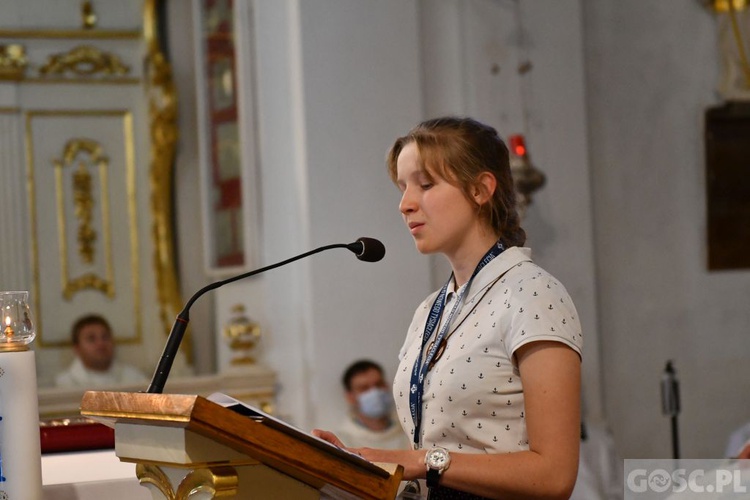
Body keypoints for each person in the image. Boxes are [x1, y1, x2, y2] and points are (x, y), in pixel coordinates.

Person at [313, 117, 583, 499]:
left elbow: (555, 476)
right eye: (403, 187)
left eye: (425, 185)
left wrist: (423, 461)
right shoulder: (430, 310)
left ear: (480, 189)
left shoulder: (533, 294)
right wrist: (357, 465)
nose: (405, 204)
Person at [55, 314, 148, 388]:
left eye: (105, 337)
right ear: (77, 348)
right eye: (91, 339)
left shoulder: (134, 378)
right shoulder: (64, 383)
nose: (101, 343)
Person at [337, 359, 410, 450]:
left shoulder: (409, 431)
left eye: (379, 384)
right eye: (364, 388)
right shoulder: (342, 441)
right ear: (350, 397)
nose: (375, 392)